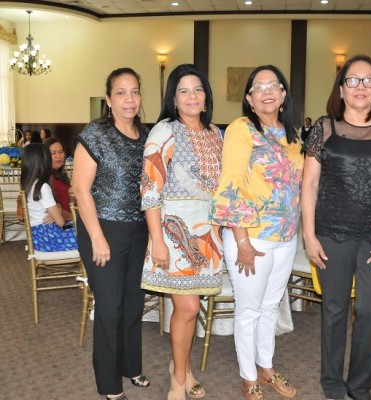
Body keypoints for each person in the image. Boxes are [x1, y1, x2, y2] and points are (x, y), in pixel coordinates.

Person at [301, 55, 371, 400]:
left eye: (369, 81)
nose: (361, 87)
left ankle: (360, 385)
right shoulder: (324, 128)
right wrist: (308, 234)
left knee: (370, 311)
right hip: (331, 233)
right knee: (334, 309)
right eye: (353, 80)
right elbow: (308, 185)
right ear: (341, 88)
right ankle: (332, 383)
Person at [209, 65, 304, 400]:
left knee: (271, 305)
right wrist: (242, 240)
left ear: (282, 95)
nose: (267, 91)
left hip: (286, 237)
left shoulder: (293, 134)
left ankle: (266, 366)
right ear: (249, 98)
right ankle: (248, 375)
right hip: (250, 237)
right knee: (249, 309)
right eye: (259, 86)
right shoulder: (241, 129)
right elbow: (230, 184)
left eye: (273, 85)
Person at [140, 63, 223, 400]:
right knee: (187, 309)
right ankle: (177, 378)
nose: (192, 96)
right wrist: (157, 241)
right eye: (184, 90)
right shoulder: (165, 131)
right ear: (174, 98)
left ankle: (183, 367)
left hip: (208, 235)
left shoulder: (217, 133)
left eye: (198, 90)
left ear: (206, 97)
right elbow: (149, 189)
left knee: (192, 309)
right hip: (172, 233)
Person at [72, 67, 150, 400]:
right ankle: (109, 384)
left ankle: (131, 366)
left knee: (134, 303)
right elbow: (80, 189)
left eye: (134, 92)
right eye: (121, 92)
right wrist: (98, 238)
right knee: (109, 307)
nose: (129, 99)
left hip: (138, 229)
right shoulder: (95, 133)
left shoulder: (147, 135)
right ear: (108, 99)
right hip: (101, 229)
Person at [20, 143, 77, 252]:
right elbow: (60, 222)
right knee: (87, 233)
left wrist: (55, 212)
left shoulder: (29, 185)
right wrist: (57, 212)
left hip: (38, 239)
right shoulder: (43, 187)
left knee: (77, 227)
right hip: (51, 239)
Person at [43, 137, 73, 221]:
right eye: (53, 153)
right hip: (63, 225)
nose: (58, 156)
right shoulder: (46, 178)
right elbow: (56, 211)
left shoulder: (59, 175)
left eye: (61, 152)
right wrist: (77, 219)